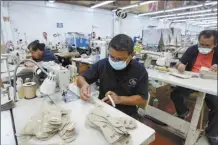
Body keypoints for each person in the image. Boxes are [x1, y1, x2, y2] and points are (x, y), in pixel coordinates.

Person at [77, 34, 148, 119]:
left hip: (127, 114)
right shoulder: (103, 64)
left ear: (131, 55)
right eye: (111, 56)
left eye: (119, 59)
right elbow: (81, 78)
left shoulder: (139, 70)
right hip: (103, 109)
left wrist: (119, 99)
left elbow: (143, 98)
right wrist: (84, 85)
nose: (114, 61)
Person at [171, 30, 218, 145]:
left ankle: (212, 133)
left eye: (207, 45)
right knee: (176, 94)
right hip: (192, 79)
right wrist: (180, 65)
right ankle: (183, 112)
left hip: (211, 82)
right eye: (201, 44)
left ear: (215, 44)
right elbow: (179, 62)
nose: (203, 47)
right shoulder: (192, 49)